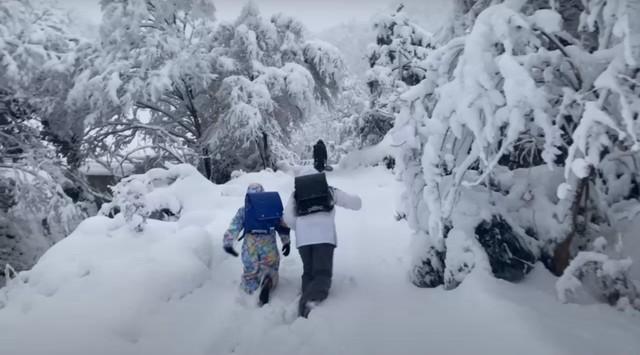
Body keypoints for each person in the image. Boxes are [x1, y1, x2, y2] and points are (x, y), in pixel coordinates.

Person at [283, 173, 362, 318]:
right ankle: (310, 301)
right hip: (324, 237)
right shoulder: (329, 190)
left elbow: (287, 217)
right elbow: (355, 203)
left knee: (309, 271)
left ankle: (305, 295)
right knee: (322, 273)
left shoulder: (296, 195)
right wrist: (359, 200)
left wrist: (300, 228)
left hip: (303, 240)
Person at [223, 183, 291, 305]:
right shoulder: (271, 208)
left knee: (250, 271)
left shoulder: (244, 211)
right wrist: (286, 242)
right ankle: (268, 280)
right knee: (271, 267)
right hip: (268, 244)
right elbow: (282, 225)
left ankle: (251, 287)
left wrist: (228, 242)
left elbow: (234, 227)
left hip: (250, 246)